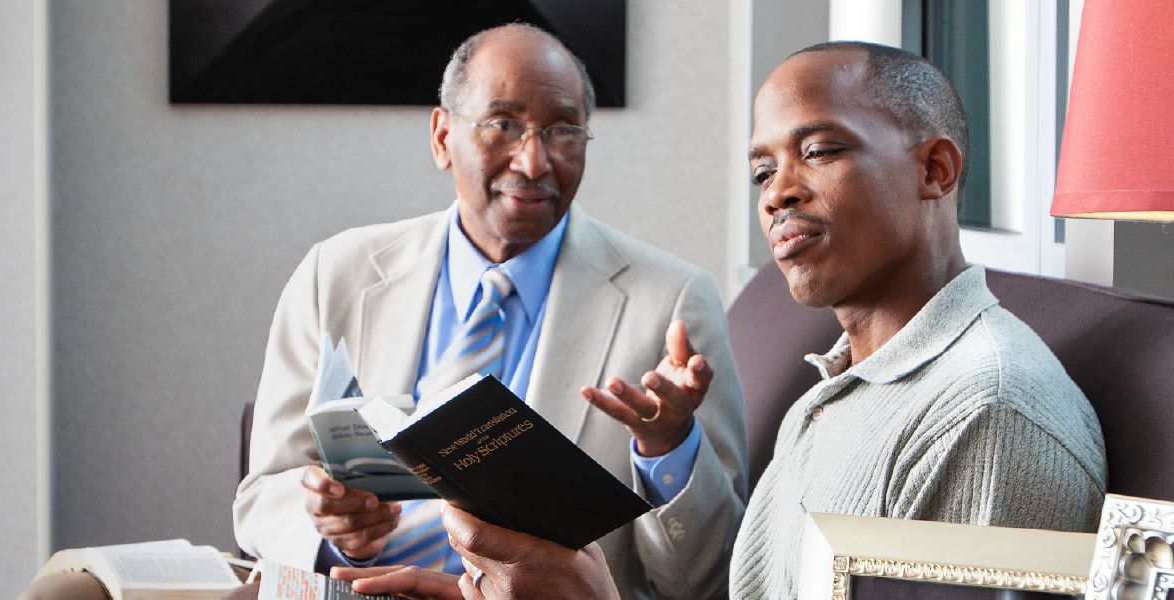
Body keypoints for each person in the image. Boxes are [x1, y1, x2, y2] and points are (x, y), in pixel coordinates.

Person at [336, 40, 1108, 600]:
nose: (777, 194)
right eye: (763, 170)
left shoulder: (988, 412)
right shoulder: (841, 386)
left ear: (935, 170)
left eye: (820, 151)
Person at [232, 23, 747, 600]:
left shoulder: (672, 301)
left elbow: (708, 579)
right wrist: (329, 527)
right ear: (442, 137)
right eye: (503, 124)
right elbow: (261, 498)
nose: (534, 161)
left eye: (563, 130)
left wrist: (668, 445)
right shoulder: (335, 274)